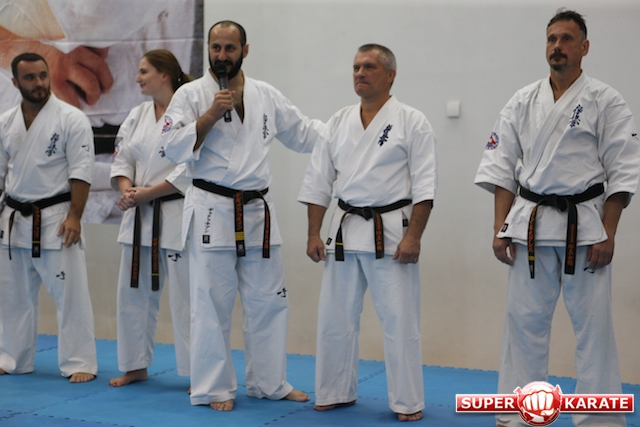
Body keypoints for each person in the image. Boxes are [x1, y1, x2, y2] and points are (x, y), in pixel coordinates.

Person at [474, 9, 640, 427]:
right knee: (523, 325)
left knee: (593, 329)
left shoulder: (606, 100)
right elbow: (501, 166)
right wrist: (499, 228)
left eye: (566, 39)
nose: (557, 47)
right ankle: (520, 413)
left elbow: (623, 171)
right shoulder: (522, 100)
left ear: (584, 47)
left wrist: (609, 233)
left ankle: (599, 419)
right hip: (529, 225)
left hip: (585, 228)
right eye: (551, 39)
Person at [162, 20, 324, 411]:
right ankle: (213, 388)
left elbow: (304, 133)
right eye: (215, 47)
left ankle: (269, 382)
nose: (222, 56)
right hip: (212, 209)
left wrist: (351, 129)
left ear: (244, 51)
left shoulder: (266, 94)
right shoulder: (190, 94)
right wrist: (209, 116)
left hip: (257, 212)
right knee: (210, 304)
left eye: (230, 48)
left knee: (269, 301)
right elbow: (169, 147)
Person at [298, 44, 438, 422]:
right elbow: (318, 182)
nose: (360, 73)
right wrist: (314, 233)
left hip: (391, 233)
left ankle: (407, 401)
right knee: (334, 319)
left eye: (369, 67)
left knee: (399, 321)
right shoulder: (337, 122)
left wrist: (414, 237)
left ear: (390, 75)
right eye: (356, 67)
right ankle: (334, 391)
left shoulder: (412, 121)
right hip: (344, 231)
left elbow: (425, 186)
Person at [0, 52, 97, 382]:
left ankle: (79, 361)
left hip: (56, 219)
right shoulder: (6, 122)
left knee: (70, 296)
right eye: (30, 78)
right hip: (14, 220)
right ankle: (13, 357)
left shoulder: (71, 119)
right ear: (15, 82)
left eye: (43, 75)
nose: (39, 83)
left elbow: (81, 172)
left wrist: (75, 216)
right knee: (13, 296)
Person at [108, 50, 192, 388]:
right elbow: (122, 158)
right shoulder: (137, 114)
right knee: (132, 295)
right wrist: (128, 191)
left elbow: (191, 166)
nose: (138, 78)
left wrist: (149, 193)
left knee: (187, 299)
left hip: (175, 211)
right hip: (139, 215)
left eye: (144, 71)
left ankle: (196, 372)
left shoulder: (188, 113)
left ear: (164, 74)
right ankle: (135, 365)